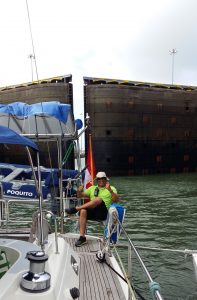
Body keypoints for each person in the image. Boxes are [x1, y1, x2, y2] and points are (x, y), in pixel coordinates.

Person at [65, 171, 119, 247]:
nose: (101, 180)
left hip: (103, 213)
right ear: (97, 180)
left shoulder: (111, 188)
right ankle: (82, 237)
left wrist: (110, 190)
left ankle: (76, 209)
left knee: (98, 199)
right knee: (83, 211)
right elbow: (80, 195)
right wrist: (79, 190)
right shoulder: (92, 188)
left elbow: (116, 200)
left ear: (106, 179)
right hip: (92, 211)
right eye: (99, 179)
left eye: (103, 178)